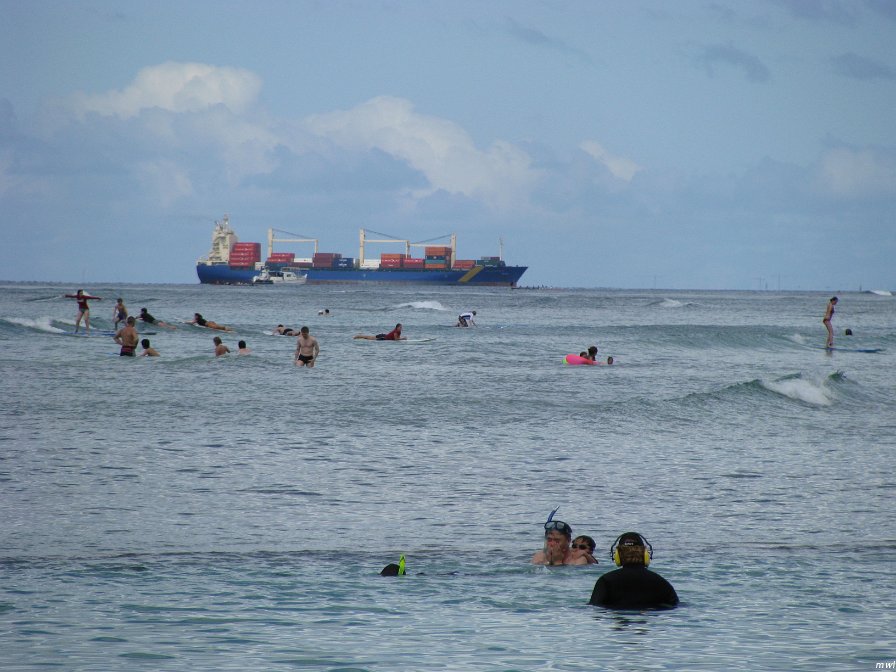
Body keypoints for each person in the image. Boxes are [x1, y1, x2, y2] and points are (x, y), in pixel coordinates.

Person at [588, 532, 679, 610]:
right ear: (646, 555)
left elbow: (595, 607)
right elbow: (675, 606)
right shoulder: (660, 581)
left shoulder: (605, 580)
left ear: (617, 556)